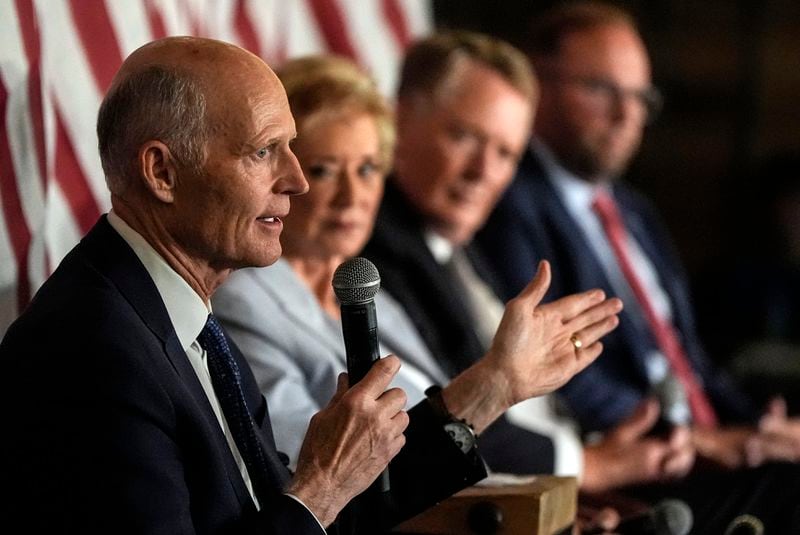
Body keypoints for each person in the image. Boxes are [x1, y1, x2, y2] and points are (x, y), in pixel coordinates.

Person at [0, 36, 613, 534]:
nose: (296, 180)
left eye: (293, 151)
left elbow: (331, 518)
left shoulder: (184, 319)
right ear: (162, 171)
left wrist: (494, 386)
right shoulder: (97, 349)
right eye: (266, 152)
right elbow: (311, 511)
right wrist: (319, 488)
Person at [475, 2, 800, 530]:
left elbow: (688, 362)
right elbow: (559, 370)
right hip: (629, 457)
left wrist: (762, 426)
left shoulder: (633, 209)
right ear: (538, 84)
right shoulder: (508, 202)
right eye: (602, 90)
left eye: (640, 97)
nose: (627, 116)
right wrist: (692, 437)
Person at [358, 30, 693, 494]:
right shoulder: (368, 254)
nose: (483, 173)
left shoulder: (455, 242)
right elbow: (436, 413)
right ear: (401, 116)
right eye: (464, 137)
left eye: (505, 153)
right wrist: (587, 463)